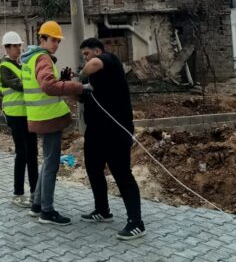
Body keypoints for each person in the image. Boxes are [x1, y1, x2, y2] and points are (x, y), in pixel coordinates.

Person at [79, 37, 145, 240]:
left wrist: (80, 75)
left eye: (86, 54)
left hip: (117, 130)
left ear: (97, 51)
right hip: (96, 131)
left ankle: (136, 223)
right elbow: (80, 97)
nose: (85, 59)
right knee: (92, 167)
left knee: (122, 174)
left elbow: (95, 64)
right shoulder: (93, 79)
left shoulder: (110, 61)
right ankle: (103, 210)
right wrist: (71, 86)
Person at [21, 21, 86, 225]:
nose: (56, 44)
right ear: (42, 39)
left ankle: (37, 205)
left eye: (58, 41)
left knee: (47, 162)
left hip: (39, 116)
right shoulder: (42, 57)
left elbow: (44, 84)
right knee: (51, 164)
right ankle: (47, 212)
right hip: (48, 118)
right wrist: (77, 87)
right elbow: (48, 86)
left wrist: (62, 79)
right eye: (53, 40)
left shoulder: (30, 58)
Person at [0, 31, 38, 207]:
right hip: (15, 116)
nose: (19, 49)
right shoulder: (4, 67)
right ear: (7, 47)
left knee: (33, 154)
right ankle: (18, 194)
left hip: (28, 114)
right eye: (15, 46)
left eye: (19, 46)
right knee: (22, 154)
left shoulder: (19, 65)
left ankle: (36, 191)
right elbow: (20, 86)